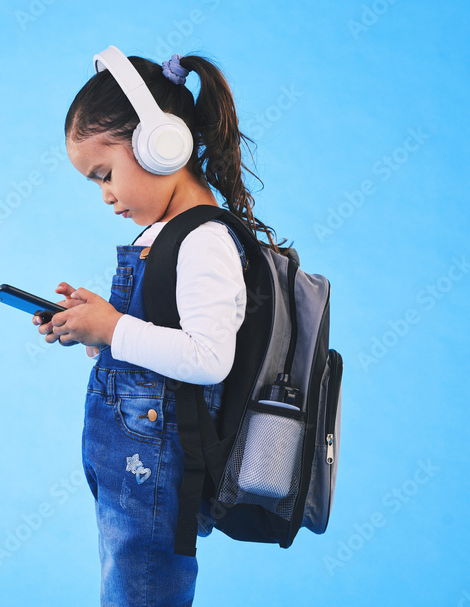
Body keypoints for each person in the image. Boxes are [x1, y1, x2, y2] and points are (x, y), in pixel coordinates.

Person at [34, 49, 288, 606]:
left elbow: (207, 357)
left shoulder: (204, 240)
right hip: (128, 451)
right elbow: (154, 340)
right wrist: (92, 328)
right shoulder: (165, 233)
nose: (104, 195)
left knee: (143, 590)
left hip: (154, 459)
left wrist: (117, 329)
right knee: (126, 585)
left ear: (160, 144)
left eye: (105, 174)